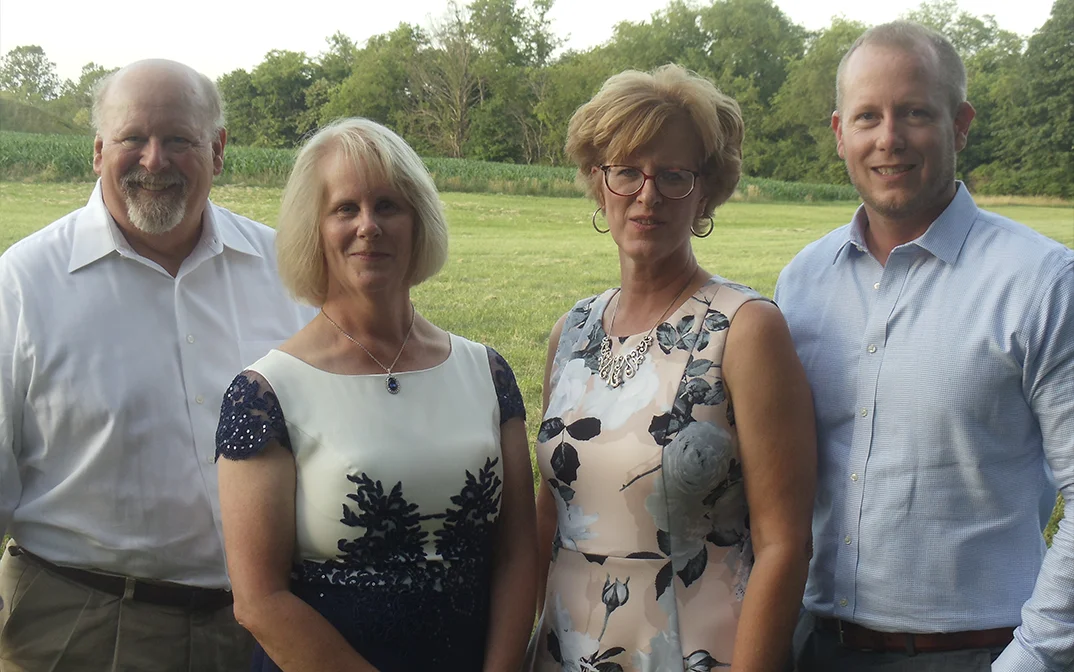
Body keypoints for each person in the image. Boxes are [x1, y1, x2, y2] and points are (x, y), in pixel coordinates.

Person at [775, 21, 1074, 672]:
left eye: (914, 112)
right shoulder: (802, 283)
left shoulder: (1042, 282)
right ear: (838, 134)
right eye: (867, 117)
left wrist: (1030, 662)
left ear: (960, 123)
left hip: (980, 652)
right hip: (816, 647)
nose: (889, 139)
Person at [0, 60, 313, 670]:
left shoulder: (288, 273)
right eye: (131, 139)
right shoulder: (23, 284)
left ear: (219, 150)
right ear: (97, 152)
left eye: (178, 139)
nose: (154, 160)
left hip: (268, 631)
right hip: (81, 627)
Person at [214, 117, 537, 672]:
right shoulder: (265, 394)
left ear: (418, 221)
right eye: (345, 208)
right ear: (312, 229)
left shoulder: (487, 372)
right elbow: (259, 602)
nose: (369, 226)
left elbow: (517, 553)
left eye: (388, 205)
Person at [525, 65, 816, 672]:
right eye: (627, 171)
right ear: (599, 183)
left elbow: (784, 543)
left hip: (696, 649)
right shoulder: (571, 331)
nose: (647, 195)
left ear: (706, 191)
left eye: (674, 176)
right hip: (568, 646)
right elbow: (549, 515)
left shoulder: (746, 329)